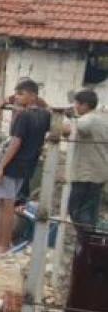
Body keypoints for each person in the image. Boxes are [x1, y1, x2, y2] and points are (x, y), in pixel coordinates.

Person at [0, 80, 51, 254]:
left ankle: (3, 243)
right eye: (17, 94)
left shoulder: (24, 115)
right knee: (3, 201)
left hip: (13, 163)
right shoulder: (45, 115)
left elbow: (15, 142)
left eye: (21, 94)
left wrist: (0, 167)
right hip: (27, 164)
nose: (17, 97)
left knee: (5, 204)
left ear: (32, 95)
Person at [61, 90, 108, 229]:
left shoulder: (89, 119)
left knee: (77, 211)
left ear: (85, 105)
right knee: (88, 210)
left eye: (76, 104)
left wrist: (60, 117)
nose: (74, 106)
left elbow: (67, 130)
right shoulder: (101, 118)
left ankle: (86, 240)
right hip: (97, 172)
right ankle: (87, 243)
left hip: (86, 174)